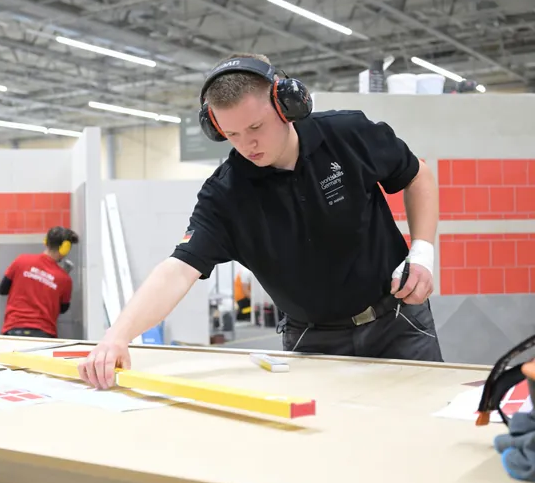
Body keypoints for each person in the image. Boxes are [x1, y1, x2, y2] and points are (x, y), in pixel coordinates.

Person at [78, 52, 444, 389]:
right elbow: (178, 270)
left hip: (398, 321)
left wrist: (422, 252)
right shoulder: (226, 195)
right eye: (232, 134)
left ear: (287, 105)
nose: (246, 145)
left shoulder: (348, 134)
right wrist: (117, 336)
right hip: (313, 340)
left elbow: (416, 175)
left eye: (256, 127)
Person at [0, 226, 78, 338]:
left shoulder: (21, 260)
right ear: (65, 248)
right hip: (43, 335)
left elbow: (2, 290)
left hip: (13, 330)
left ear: (46, 241)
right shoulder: (64, 279)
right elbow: (63, 309)